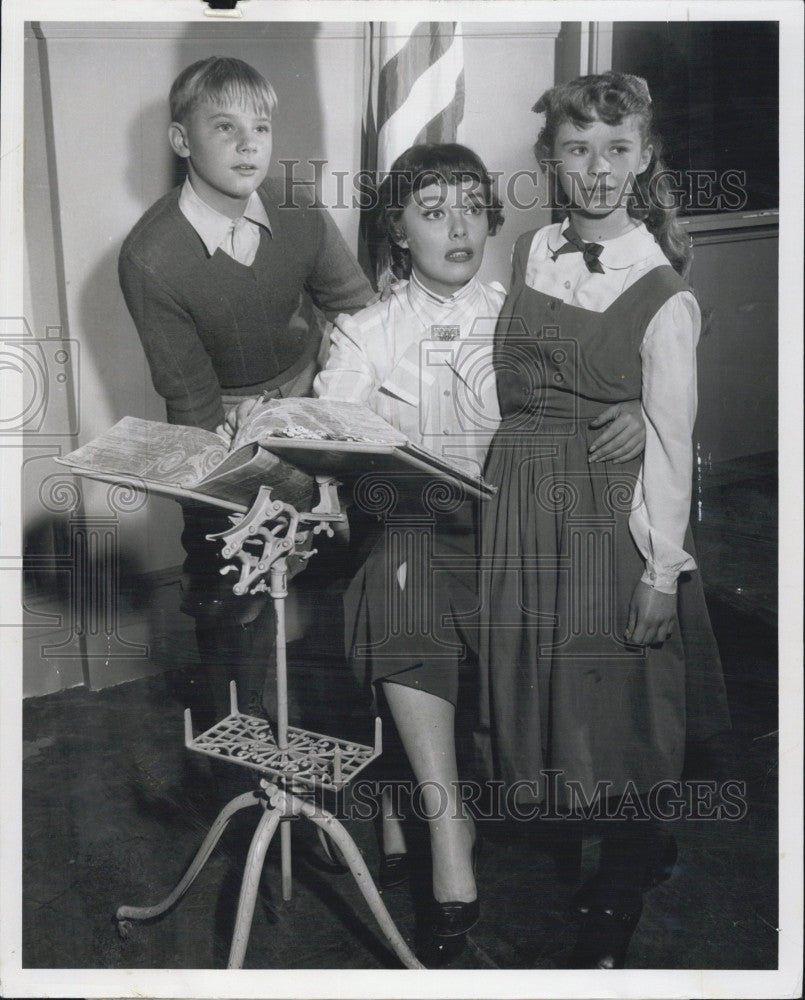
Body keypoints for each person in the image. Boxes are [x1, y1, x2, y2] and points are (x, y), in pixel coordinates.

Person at [223, 142, 645, 965]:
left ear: (490, 219)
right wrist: (282, 433)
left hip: (523, 540)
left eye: (469, 207)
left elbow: (606, 383)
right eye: (432, 210)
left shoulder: (530, 312)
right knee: (398, 574)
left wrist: (631, 405)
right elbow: (333, 428)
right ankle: (446, 825)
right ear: (399, 233)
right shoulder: (364, 331)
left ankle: (569, 810)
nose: (457, 226)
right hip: (417, 538)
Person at [479, 72, 731, 969]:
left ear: (643, 157)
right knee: (553, 696)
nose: (596, 170)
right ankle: (586, 836)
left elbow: (670, 444)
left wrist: (661, 572)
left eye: (615, 150)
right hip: (524, 506)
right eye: (577, 150)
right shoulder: (532, 248)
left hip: (606, 516)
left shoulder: (663, 292)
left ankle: (624, 872)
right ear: (550, 158)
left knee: (623, 702)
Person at [118, 57, 373, 724]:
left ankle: (327, 726)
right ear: (181, 142)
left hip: (316, 405)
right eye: (223, 126)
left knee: (338, 563)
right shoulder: (150, 256)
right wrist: (240, 470)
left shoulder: (296, 207)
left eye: (258, 126)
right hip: (220, 425)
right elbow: (191, 400)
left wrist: (325, 410)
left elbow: (360, 317)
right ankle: (236, 745)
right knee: (228, 577)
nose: (246, 143)